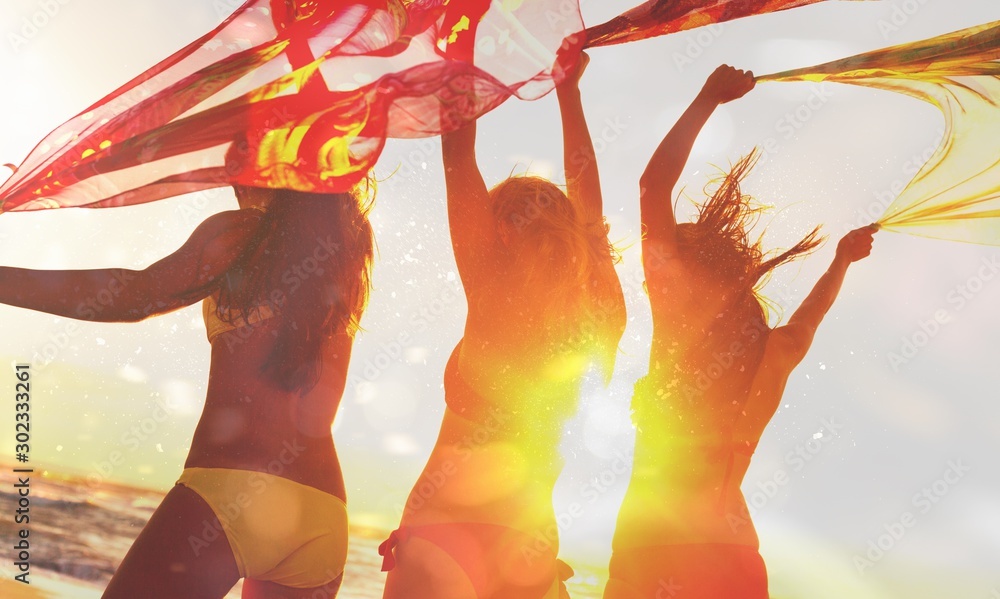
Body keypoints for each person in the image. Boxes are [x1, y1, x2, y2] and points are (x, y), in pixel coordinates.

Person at [0, 182, 375, 599]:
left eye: (242, 146)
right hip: (323, 517)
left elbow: (134, 295)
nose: (230, 167)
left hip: (231, 494)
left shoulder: (242, 233)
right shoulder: (341, 253)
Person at [604, 65, 877, 598]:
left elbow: (651, 186)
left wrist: (707, 97)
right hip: (734, 557)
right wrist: (840, 262)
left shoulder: (680, 311)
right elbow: (806, 322)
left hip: (655, 546)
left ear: (689, 269)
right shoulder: (773, 350)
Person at [379, 52, 627, 599]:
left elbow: (457, 156)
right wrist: (568, 92)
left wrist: (460, 48)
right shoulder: (605, 310)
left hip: (441, 536)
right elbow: (590, 201)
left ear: (499, 234)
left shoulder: (491, 286)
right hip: (527, 548)